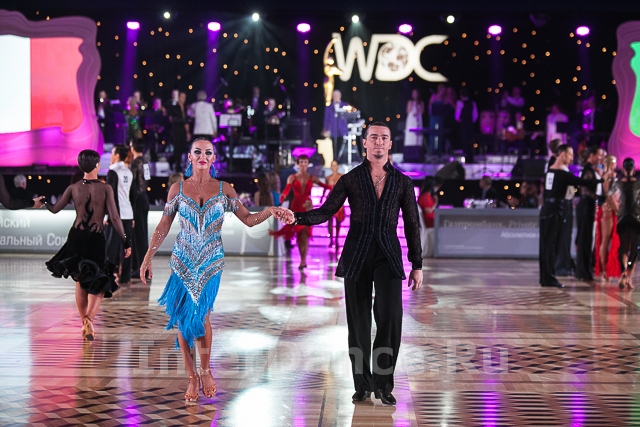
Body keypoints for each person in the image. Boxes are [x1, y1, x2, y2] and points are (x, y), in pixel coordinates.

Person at [280, 122, 423, 406]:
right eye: (374, 137)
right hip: (356, 255)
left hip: (389, 257)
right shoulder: (350, 179)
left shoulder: (403, 183)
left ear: (390, 144)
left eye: (384, 138)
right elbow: (326, 211)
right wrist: (297, 217)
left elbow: (412, 225)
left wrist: (416, 264)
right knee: (358, 324)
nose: (379, 142)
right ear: (365, 143)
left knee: (390, 321)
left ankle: (383, 385)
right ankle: (362, 385)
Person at [139, 139, 286, 402]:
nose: (203, 156)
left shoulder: (224, 189)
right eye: (197, 152)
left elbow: (248, 219)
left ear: (214, 158)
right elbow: (163, 227)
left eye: (208, 152)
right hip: (182, 262)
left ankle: (205, 370)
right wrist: (147, 257)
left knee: (202, 314)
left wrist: (271, 211)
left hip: (211, 262)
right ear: (189, 157)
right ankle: (192, 376)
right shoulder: (177, 189)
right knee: (183, 319)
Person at [44, 150, 131, 341]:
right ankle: (89, 320)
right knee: (99, 281)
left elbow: (55, 208)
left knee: (80, 281)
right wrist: (126, 240)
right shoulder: (106, 188)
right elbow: (115, 218)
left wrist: (43, 201)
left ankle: (85, 322)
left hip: (76, 237)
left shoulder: (74, 188)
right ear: (97, 165)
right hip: (95, 239)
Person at [539, 145, 604, 288]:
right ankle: (550, 278)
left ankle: (545, 277)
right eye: (570, 155)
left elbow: (546, 193)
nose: (572, 158)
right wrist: (602, 179)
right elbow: (583, 182)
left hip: (546, 210)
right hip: (555, 211)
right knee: (552, 246)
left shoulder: (549, 171)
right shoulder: (562, 174)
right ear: (562, 155)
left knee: (545, 245)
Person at [271, 155, 331, 268]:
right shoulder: (292, 177)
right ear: (298, 164)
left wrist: (336, 186)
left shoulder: (312, 177)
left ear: (308, 164)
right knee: (299, 233)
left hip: (307, 206)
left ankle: (303, 260)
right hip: (296, 206)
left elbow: (325, 186)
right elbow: (287, 189)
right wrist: (283, 196)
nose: (303, 164)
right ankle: (302, 259)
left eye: (305, 162)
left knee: (305, 233)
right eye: (301, 162)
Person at [575, 145, 605, 281]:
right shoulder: (588, 169)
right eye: (599, 155)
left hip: (589, 205)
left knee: (587, 239)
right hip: (586, 206)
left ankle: (585, 270)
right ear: (591, 155)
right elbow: (586, 190)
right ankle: (582, 271)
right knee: (584, 239)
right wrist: (601, 199)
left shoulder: (591, 169)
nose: (601, 158)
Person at [105, 144, 134, 286]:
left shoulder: (113, 172)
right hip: (128, 213)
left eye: (112, 153)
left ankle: (109, 275)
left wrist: (107, 215)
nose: (110, 156)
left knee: (111, 247)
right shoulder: (128, 171)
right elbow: (131, 194)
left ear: (117, 155)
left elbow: (110, 196)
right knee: (127, 247)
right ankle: (125, 277)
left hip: (116, 215)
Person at [610, 158, 640, 289]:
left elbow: (609, 195)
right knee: (634, 250)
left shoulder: (617, 183)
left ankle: (623, 274)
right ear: (633, 169)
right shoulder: (638, 183)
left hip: (622, 218)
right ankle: (629, 277)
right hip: (636, 218)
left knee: (623, 248)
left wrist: (617, 209)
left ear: (623, 169)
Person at [595, 155, 621, 281]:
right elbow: (609, 195)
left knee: (607, 240)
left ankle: (605, 270)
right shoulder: (609, 176)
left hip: (609, 208)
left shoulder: (606, 176)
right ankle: (604, 271)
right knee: (605, 240)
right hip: (609, 209)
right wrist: (617, 209)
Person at [129, 139, 151, 279]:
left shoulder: (134, 164)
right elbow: (146, 181)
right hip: (144, 198)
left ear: (132, 148)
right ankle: (144, 267)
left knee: (138, 235)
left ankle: (139, 268)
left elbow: (132, 185)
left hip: (137, 200)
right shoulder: (146, 163)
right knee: (143, 233)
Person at [323, 90, 349, 162]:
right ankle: (335, 161)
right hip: (333, 130)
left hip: (342, 130)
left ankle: (340, 160)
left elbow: (348, 116)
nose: (336, 97)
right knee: (334, 145)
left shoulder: (345, 105)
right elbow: (326, 119)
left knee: (342, 145)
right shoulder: (329, 107)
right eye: (334, 96)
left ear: (340, 97)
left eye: (337, 96)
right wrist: (326, 129)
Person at [455, 88, 478, 163]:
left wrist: (461, 120)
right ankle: (470, 158)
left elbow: (457, 116)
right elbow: (475, 115)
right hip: (470, 124)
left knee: (465, 141)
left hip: (464, 125)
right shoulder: (472, 103)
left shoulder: (460, 102)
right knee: (470, 141)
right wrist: (471, 122)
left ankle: (466, 158)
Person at [325, 160, 345, 248]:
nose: (334, 167)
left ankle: (336, 239)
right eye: (332, 165)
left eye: (335, 165)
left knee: (338, 221)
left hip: (339, 201)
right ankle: (331, 240)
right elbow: (325, 188)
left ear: (338, 166)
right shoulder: (328, 178)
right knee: (329, 220)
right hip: (330, 201)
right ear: (330, 167)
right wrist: (322, 197)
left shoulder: (342, 177)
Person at [169, 92, 190, 172]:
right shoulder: (174, 107)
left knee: (183, 148)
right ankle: (177, 166)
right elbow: (174, 119)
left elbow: (186, 120)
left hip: (183, 130)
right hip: (176, 130)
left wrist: (188, 132)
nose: (183, 99)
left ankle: (172, 160)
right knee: (177, 148)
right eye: (182, 97)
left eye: (185, 97)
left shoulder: (185, 108)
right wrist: (183, 120)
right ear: (178, 98)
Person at [404, 89, 424, 162]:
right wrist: (413, 105)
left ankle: (418, 152)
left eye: (416, 93)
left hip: (418, 119)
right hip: (411, 119)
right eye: (413, 93)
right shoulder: (410, 102)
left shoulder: (421, 102)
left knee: (418, 135)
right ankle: (409, 152)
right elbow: (408, 111)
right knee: (411, 135)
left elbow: (422, 111)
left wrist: (417, 106)